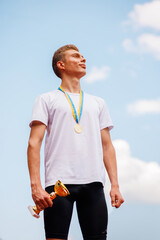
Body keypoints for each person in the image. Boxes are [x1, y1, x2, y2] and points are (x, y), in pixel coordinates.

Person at [27, 44, 124, 240]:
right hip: (57, 184)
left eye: (82, 56)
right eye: (76, 56)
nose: (83, 59)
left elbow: (107, 146)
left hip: (94, 183)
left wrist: (115, 185)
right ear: (61, 64)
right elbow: (33, 144)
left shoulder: (98, 103)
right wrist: (36, 186)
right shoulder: (46, 99)